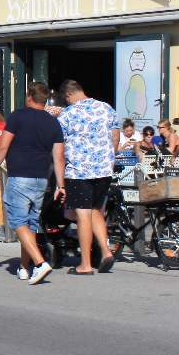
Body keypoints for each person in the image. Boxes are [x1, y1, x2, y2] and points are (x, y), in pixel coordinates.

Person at [0, 81, 64, 285]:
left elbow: (3, 145)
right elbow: (59, 157)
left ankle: (39, 263)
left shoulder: (18, 116)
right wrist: (60, 185)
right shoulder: (53, 122)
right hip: (41, 179)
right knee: (30, 224)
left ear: (29, 96)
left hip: (20, 176)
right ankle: (23, 267)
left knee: (18, 222)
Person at [56, 79, 119, 275]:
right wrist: (108, 158)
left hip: (79, 171)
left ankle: (84, 264)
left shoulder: (67, 114)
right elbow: (115, 136)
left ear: (68, 96)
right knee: (95, 211)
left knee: (83, 215)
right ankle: (106, 251)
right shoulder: (106, 108)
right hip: (104, 170)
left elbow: (60, 147)